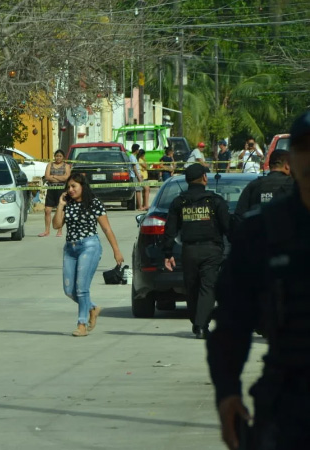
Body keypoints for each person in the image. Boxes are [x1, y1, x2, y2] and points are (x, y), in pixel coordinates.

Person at [207, 110, 310, 450]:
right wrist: (227, 392)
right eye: (304, 147)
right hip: (289, 403)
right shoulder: (264, 231)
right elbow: (232, 322)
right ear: (290, 159)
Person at [52, 172, 124, 337]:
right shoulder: (67, 203)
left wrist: (116, 251)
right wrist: (61, 205)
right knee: (69, 290)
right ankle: (92, 308)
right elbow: (56, 225)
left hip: (89, 246)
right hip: (70, 248)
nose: (70, 190)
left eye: (73, 187)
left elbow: (106, 228)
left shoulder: (94, 203)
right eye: (68, 187)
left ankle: (82, 324)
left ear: (82, 187)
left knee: (81, 288)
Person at [163, 164, 230, 338]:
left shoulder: (179, 202)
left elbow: (170, 230)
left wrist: (168, 253)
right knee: (208, 287)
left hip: (189, 251)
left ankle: (197, 323)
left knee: (191, 288)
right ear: (205, 178)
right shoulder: (215, 201)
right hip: (211, 250)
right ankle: (201, 325)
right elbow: (228, 227)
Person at [233, 149, 294, 227]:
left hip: (257, 236)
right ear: (287, 166)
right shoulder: (295, 186)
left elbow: (240, 216)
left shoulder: (254, 185)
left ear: (270, 165)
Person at [39, 150, 70, 237]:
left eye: (60, 156)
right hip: (51, 189)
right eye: (57, 156)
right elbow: (47, 177)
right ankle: (47, 230)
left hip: (61, 190)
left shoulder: (66, 166)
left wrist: (54, 176)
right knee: (47, 210)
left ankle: (59, 230)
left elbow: (66, 177)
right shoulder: (50, 165)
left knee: (60, 211)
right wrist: (59, 178)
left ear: (63, 157)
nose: (58, 158)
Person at [128, 144, 145, 210]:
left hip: (136, 175)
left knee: (139, 190)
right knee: (138, 191)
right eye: (138, 149)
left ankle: (139, 206)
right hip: (134, 176)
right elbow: (134, 167)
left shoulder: (133, 157)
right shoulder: (132, 157)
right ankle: (140, 206)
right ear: (136, 150)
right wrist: (139, 177)